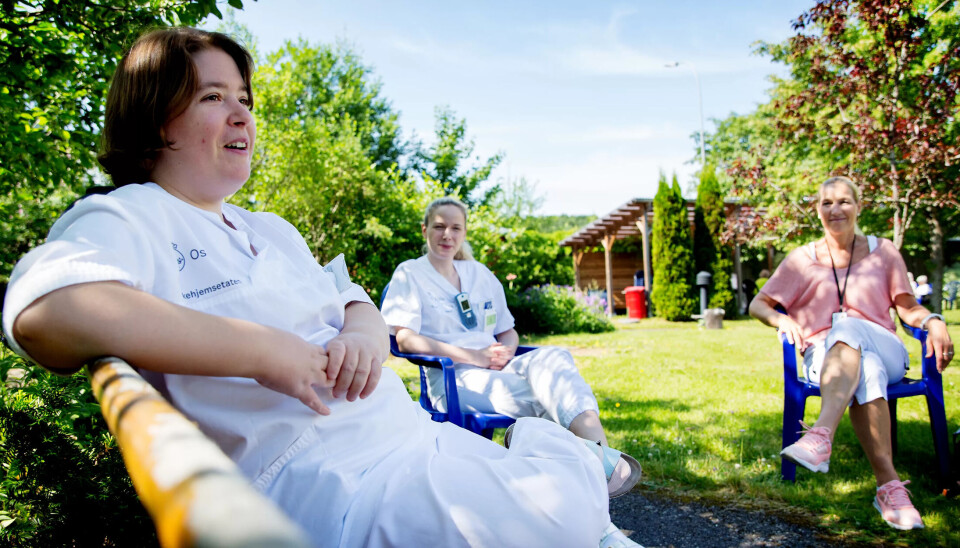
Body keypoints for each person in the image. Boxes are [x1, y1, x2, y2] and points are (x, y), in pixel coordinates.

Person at [1, 28, 642, 548]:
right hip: (337, 483)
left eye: (246, 99)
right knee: (564, 516)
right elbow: (46, 308)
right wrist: (261, 351)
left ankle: (569, 465)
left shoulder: (268, 229)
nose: (241, 114)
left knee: (564, 515)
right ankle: (575, 465)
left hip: (412, 439)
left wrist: (364, 333)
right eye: (213, 98)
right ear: (156, 120)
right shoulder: (131, 214)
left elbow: (351, 298)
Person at [749, 176, 954, 531]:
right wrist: (781, 319)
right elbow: (758, 304)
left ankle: (820, 434)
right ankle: (889, 487)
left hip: (884, 345)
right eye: (826, 203)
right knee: (866, 368)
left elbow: (907, 307)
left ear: (859, 207)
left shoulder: (884, 251)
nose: (835, 209)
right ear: (817, 210)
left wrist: (933, 319)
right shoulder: (801, 260)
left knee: (848, 327)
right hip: (824, 358)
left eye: (844, 201)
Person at [381, 198, 639, 463]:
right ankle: (601, 465)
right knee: (552, 392)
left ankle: (596, 463)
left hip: (499, 367)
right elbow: (406, 340)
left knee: (556, 358)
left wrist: (504, 354)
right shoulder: (410, 273)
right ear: (425, 230)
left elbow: (507, 331)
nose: (447, 234)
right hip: (454, 377)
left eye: (456, 228)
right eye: (439, 226)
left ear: (465, 232)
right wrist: (474, 356)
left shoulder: (478, 273)